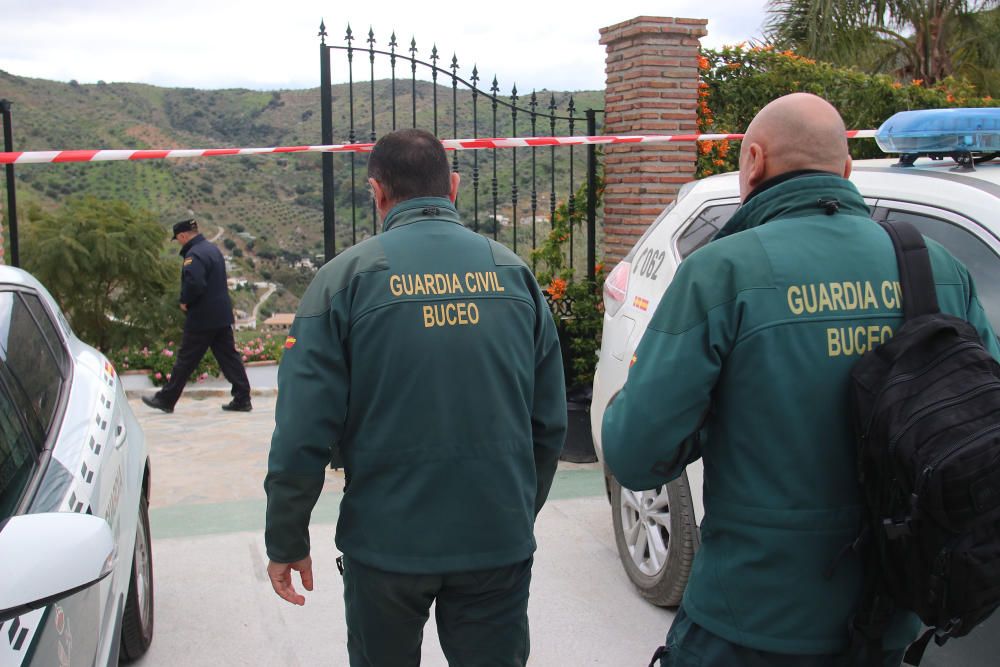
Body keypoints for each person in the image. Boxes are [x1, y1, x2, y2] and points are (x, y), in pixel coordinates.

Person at [602, 93, 1000, 667]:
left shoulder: (722, 272)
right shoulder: (938, 267)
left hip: (749, 620)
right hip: (889, 618)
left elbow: (636, 454)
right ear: (845, 170)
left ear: (754, 162)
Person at [263, 128, 567, 666]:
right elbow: (549, 423)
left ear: (376, 192)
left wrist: (286, 538)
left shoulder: (342, 282)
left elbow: (302, 432)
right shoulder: (513, 275)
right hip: (495, 536)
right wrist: (516, 511)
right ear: (453, 186)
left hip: (386, 546)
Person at [142, 219, 252, 414]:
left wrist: (185, 301)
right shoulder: (212, 249)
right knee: (229, 358)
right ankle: (242, 398)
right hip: (221, 315)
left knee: (186, 360)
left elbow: (195, 284)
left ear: (183, 235)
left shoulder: (194, 255)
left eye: (178, 239)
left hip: (203, 317)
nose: (178, 242)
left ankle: (166, 399)